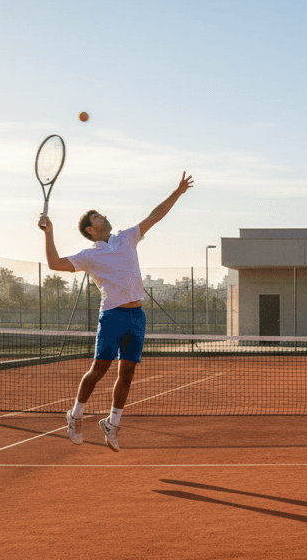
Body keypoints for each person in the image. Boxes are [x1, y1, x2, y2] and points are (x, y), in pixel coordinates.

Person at [39, 172, 194, 451]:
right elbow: (53, 264)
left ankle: (112, 422)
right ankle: (75, 415)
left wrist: (178, 192)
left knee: (128, 373)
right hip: (113, 315)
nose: (103, 217)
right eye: (97, 217)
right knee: (99, 369)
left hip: (137, 317)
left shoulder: (127, 237)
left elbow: (155, 216)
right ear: (90, 229)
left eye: (101, 214)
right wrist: (49, 233)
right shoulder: (89, 256)